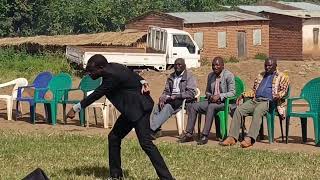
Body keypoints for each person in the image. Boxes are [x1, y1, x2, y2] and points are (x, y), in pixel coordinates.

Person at [66, 54, 174, 180]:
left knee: (146, 144)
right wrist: (143, 81)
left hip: (138, 109)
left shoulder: (111, 76)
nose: (89, 74)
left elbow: (97, 93)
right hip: (131, 111)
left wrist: (75, 108)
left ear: (101, 67)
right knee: (114, 137)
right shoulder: (113, 67)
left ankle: (167, 178)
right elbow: (131, 73)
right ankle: (116, 176)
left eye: (91, 71)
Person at [220, 57, 289, 148]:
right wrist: (243, 95)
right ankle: (232, 137)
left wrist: (278, 95)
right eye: (265, 65)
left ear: (275, 66)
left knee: (258, 110)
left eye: (269, 65)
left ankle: (250, 138)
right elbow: (254, 91)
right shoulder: (261, 75)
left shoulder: (283, 76)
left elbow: (284, 91)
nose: (267, 67)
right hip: (256, 100)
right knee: (239, 110)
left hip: (269, 102)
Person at [179, 56, 235, 145]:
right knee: (194, 106)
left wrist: (220, 96)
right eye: (213, 65)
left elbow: (232, 93)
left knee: (211, 107)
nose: (215, 67)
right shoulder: (211, 75)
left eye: (217, 65)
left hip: (224, 103)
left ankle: (205, 135)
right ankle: (189, 134)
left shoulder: (229, 75)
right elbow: (207, 91)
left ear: (222, 66)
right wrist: (210, 96)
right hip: (212, 101)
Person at [150, 58, 197, 138]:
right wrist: (162, 97)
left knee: (168, 107)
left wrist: (177, 96)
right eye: (175, 65)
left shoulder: (189, 76)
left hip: (184, 101)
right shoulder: (171, 76)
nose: (177, 66)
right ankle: (156, 131)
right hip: (171, 99)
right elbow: (166, 91)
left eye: (179, 65)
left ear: (184, 66)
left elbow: (191, 93)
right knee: (157, 107)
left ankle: (150, 129)